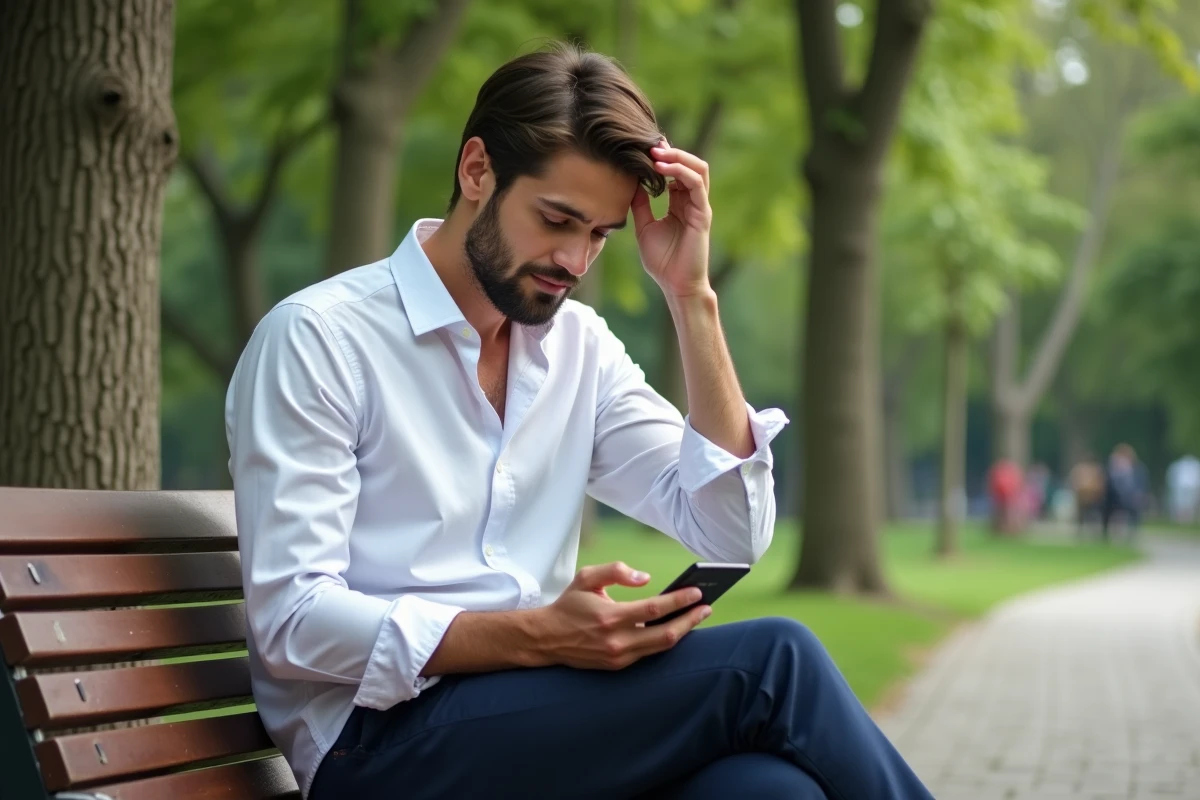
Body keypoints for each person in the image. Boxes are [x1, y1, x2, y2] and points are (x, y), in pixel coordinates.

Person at [225, 43, 932, 800]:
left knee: (766, 791)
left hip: (537, 722)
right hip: (375, 749)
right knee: (773, 661)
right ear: (476, 171)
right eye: (557, 218)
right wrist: (536, 635)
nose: (575, 258)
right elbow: (294, 621)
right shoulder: (321, 340)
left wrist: (692, 297)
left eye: (599, 234)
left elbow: (729, 533)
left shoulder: (578, 349)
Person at [1102, 443, 1149, 541]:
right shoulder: (1112, 469)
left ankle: (1132, 533)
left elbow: (1140, 485)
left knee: (1135, 506)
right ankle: (1105, 533)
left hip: (1130, 498)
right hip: (1114, 498)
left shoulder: (1137, 469)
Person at [1069, 453, 1106, 536]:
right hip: (1082, 496)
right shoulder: (1081, 469)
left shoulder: (1096, 470)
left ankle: (1095, 532)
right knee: (1081, 517)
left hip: (1093, 496)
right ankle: (1080, 532)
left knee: (1094, 516)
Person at [1166, 454, 1200, 524]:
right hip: (1183, 487)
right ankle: (1181, 519)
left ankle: (1188, 519)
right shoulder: (1179, 465)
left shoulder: (1194, 465)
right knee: (1181, 504)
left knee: (1189, 504)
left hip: (1190, 487)